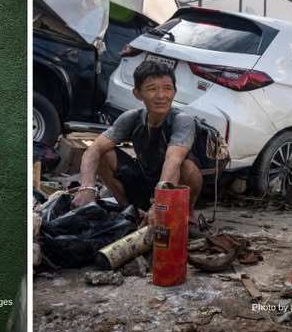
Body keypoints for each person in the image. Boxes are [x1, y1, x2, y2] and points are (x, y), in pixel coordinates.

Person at [71, 60, 203, 231]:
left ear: (175, 92)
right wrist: (87, 188)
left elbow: (173, 160)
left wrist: (159, 204)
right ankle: (130, 212)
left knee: (188, 166)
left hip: (173, 185)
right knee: (103, 153)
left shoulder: (182, 120)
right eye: (152, 89)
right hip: (144, 180)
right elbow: (93, 150)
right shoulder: (132, 117)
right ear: (137, 93)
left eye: (167, 88)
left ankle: (186, 212)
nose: (161, 96)